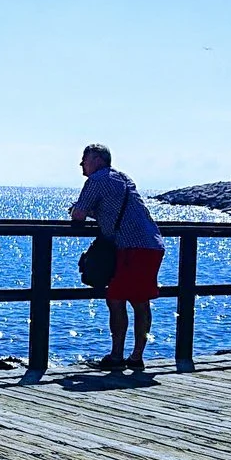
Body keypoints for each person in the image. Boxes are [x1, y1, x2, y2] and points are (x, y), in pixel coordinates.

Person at [68, 143, 166, 369]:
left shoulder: (96, 180)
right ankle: (136, 357)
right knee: (141, 301)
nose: (81, 164)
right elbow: (114, 209)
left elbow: (79, 216)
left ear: (98, 160)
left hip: (131, 248)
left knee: (116, 299)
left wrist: (74, 209)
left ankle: (116, 356)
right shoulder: (123, 178)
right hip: (153, 243)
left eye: (85, 158)